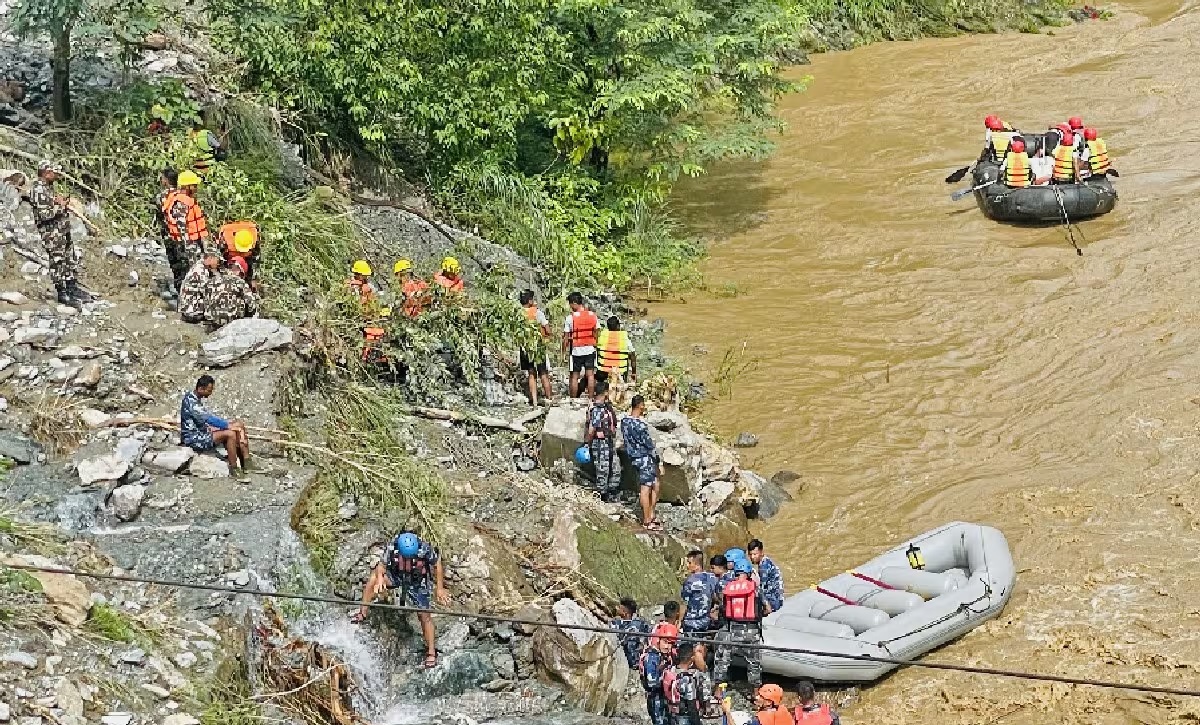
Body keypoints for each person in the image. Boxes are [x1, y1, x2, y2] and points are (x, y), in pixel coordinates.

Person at [353, 531, 450, 669]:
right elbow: (381, 565)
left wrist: (439, 588)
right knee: (373, 579)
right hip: (396, 575)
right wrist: (381, 579)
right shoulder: (393, 546)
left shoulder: (425, 548)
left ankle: (431, 652)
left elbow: (437, 564)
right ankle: (362, 612)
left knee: (425, 617)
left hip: (417, 582)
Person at [31, 161, 91, 307]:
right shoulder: (38, 190)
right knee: (57, 262)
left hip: (62, 230)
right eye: (54, 173)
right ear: (46, 173)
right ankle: (62, 293)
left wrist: (60, 202)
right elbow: (44, 215)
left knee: (70, 259)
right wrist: (60, 206)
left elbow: (52, 205)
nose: (57, 175)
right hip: (52, 234)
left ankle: (72, 287)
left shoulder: (48, 188)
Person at [180, 374, 252, 477]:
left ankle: (247, 462)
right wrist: (227, 426)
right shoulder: (191, 403)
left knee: (239, 424)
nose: (210, 393)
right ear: (200, 388)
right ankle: (234, 468)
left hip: (202, 431)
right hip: (194, 438)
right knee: (230, 434)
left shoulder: (195, 398)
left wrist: (232, 426)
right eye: (209, 390)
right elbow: (209, 419)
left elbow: (204, 420)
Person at [712, 559, 763, 689]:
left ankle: (717, 692)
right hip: (751, 633)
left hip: (732, 631)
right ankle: (756, 694)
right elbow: (767, 608)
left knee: (722, 661)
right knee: (754, 664)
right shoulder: (755, 589)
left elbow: (723, 608)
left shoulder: (728, 587)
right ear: (748, 573)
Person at [621, 394, 662, 529]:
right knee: (646, 488)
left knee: (655, 484)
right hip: (645, 459)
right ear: (641, 406)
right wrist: (658, 462)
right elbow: (649, 445)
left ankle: (651, 513)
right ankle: (647, 520)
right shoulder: (641, 426)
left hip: (634, 458)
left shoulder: (624, 422)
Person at [163, 170, 210, 275]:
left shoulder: (188, 200)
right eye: (194, 186)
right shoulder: (180, 203)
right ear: (187, 187)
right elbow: (183, 231)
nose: (196, 188)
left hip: (195, 243)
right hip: (188, 247)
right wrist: (192, 254)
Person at [680, 550, 720, 660]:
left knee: (692, 650)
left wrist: (678, 622)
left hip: (691, 622)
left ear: (696, 564)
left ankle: (700, 670)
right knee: (701, 646)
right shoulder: (712, 578)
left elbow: (685, 603)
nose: (688, 566)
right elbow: (717, 598)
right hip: (705, 621)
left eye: (689, 563)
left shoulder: (690, 582)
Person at [585, 381, 621, 502]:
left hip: (609, 441)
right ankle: (602, 494)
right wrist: (587, 444)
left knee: (614, 467)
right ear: (605, 392)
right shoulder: (597, 409)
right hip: (600, 442)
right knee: (602, 468)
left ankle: (612, 490)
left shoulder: (606, 407)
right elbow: (591, 430)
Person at [152, 168, 186, 291]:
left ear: (166, 180)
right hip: (186, 236)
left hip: (170, 237)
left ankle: (180, 292)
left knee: (176, 266)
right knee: (186, 266)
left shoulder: (161, 197)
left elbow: (160, 217)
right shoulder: (184, 195)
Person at [519, 290, 553, 406]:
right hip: (538, 346)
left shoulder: (518, 314)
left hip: (525, 347)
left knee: (531, 374)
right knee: (543, 373)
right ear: (530, 300)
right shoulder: (537, 313)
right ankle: (549, 399)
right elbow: (547, 330)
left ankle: (534, 401)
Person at [563, 292, 600, 398]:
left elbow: (566, 337)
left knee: (574, 376)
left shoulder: (570, 318)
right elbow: (596, 332)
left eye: (570, 304)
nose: (570, 306)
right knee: (590, 375)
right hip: (590, 349)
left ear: (574, 303)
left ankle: (573, 400)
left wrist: (563, 351)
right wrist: (594, 343)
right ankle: (591, 398)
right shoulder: (592, 315)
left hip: (576, 350)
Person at [639, 622, 677, 725]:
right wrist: (667, 677)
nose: (668, 646)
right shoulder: (651, 657)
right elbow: (651, 681)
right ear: (658, 640)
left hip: (665, 699)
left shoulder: (665, 655)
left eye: (671, 644)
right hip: (656, 700)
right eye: (665, 642)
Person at [207, 257, 259, 328]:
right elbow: (251, 304)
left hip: (214, 320)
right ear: (241, 271)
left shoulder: (216, 279)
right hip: (232, 321)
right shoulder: (240, 282)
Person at [665, 645, 706, 725]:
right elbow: (692, 708)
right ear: (692, 658)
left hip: (671, 715)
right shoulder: (688, 679)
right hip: (684, 717)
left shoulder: (670, 671)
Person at [178, 252, 223, 324]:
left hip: (188, 307)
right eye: (218, 261)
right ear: (211, 258)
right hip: (192, 311)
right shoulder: (200, 270)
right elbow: (209, 291)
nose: (218, 264)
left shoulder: (200, 266)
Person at [611, 597, 652, 669]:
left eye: (619, 608)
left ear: (625, 611)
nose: (617, 609)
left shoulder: (638, 625)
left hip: (635, 663)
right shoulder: (618, 623)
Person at [219, 221, 260, 290]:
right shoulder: (226, 238)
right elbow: (221, 255)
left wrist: (253, 278)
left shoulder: (254, 235)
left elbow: (256, 259)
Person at [747, 539, 784, 614]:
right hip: (777, 597)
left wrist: (766, 605)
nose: (752, 557)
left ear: (761, 552)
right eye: (750, 554)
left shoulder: (764, 566)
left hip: (773, 602)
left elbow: (761, 589)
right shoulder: (766, 561)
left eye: (755, 554)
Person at [596, 316, 636, 385]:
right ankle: (624, 381)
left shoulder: (602, 336)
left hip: (603, 370)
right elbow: (633, 356)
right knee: (628, 356)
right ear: (618, 326)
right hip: (619, 370)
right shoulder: (623, 337)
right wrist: (634, 373)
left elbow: (597, 348)